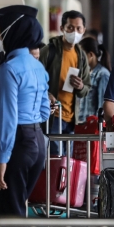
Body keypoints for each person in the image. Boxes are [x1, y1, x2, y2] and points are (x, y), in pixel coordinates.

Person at [0, 5, 50, 227]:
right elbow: (46, 108)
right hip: (38, 140)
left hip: (16, 144)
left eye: (0, 29)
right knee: (16, 210)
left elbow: (10, 118)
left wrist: (2, 160)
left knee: (12, 213)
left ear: (12, 32)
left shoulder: (9, 68)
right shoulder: (38, 67)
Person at [39, 10, 91, 156]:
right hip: (53, 115)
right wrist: (47, 94)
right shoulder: (49, 51)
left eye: (78, 28)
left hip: (73, 117)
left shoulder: (81, 56)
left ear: (84, 30)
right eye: (70, 28)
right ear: (62, 28)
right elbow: (35, 79)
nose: (74, 32)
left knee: (67, 160)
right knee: (55, 157)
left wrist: (80, 86)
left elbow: (86, 87)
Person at [78, 37, 111, 123]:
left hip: (94, 124)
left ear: (90, 55)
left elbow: (102, 105)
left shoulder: (103, 74)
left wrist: (98, 123)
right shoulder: (86, 73)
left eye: (81, 55)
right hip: (83, 122)